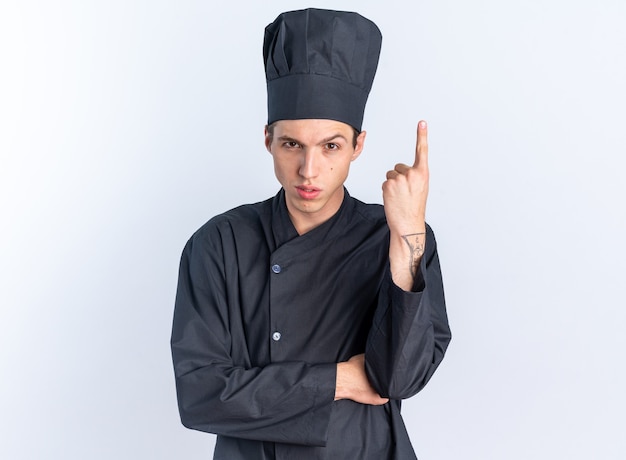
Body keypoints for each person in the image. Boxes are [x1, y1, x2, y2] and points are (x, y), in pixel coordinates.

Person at [171, 8, 451, 460]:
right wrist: (340, 380)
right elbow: (200, 395)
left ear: (358, 145)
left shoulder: (399, 237)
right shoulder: (219, 244)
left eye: (331, 146)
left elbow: (400, 380)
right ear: (268, 139)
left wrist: (406, 240)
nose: (308, 170)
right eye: (291, 145)